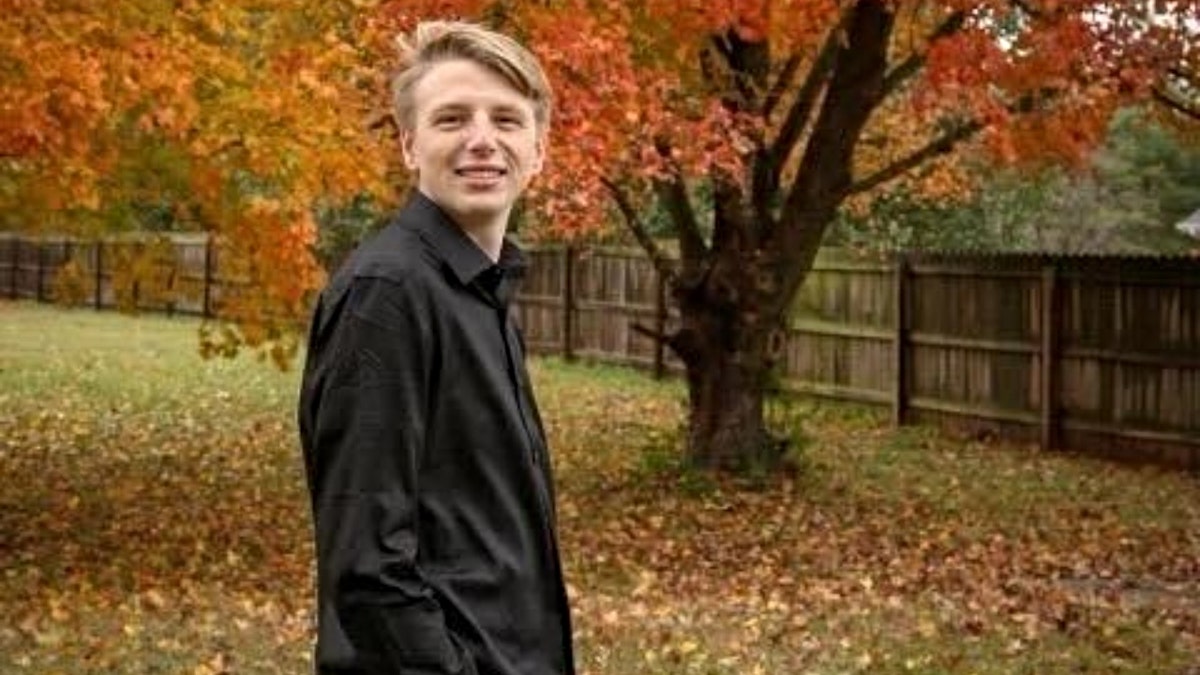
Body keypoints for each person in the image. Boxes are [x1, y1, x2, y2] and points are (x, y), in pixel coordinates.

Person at [297, 20, 574, 675]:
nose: (482, 140)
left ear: (538, 149)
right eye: (452, 118)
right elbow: (367, 563)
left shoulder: (479, 288)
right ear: (409, 145)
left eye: (506, 119)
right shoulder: (388, 293)